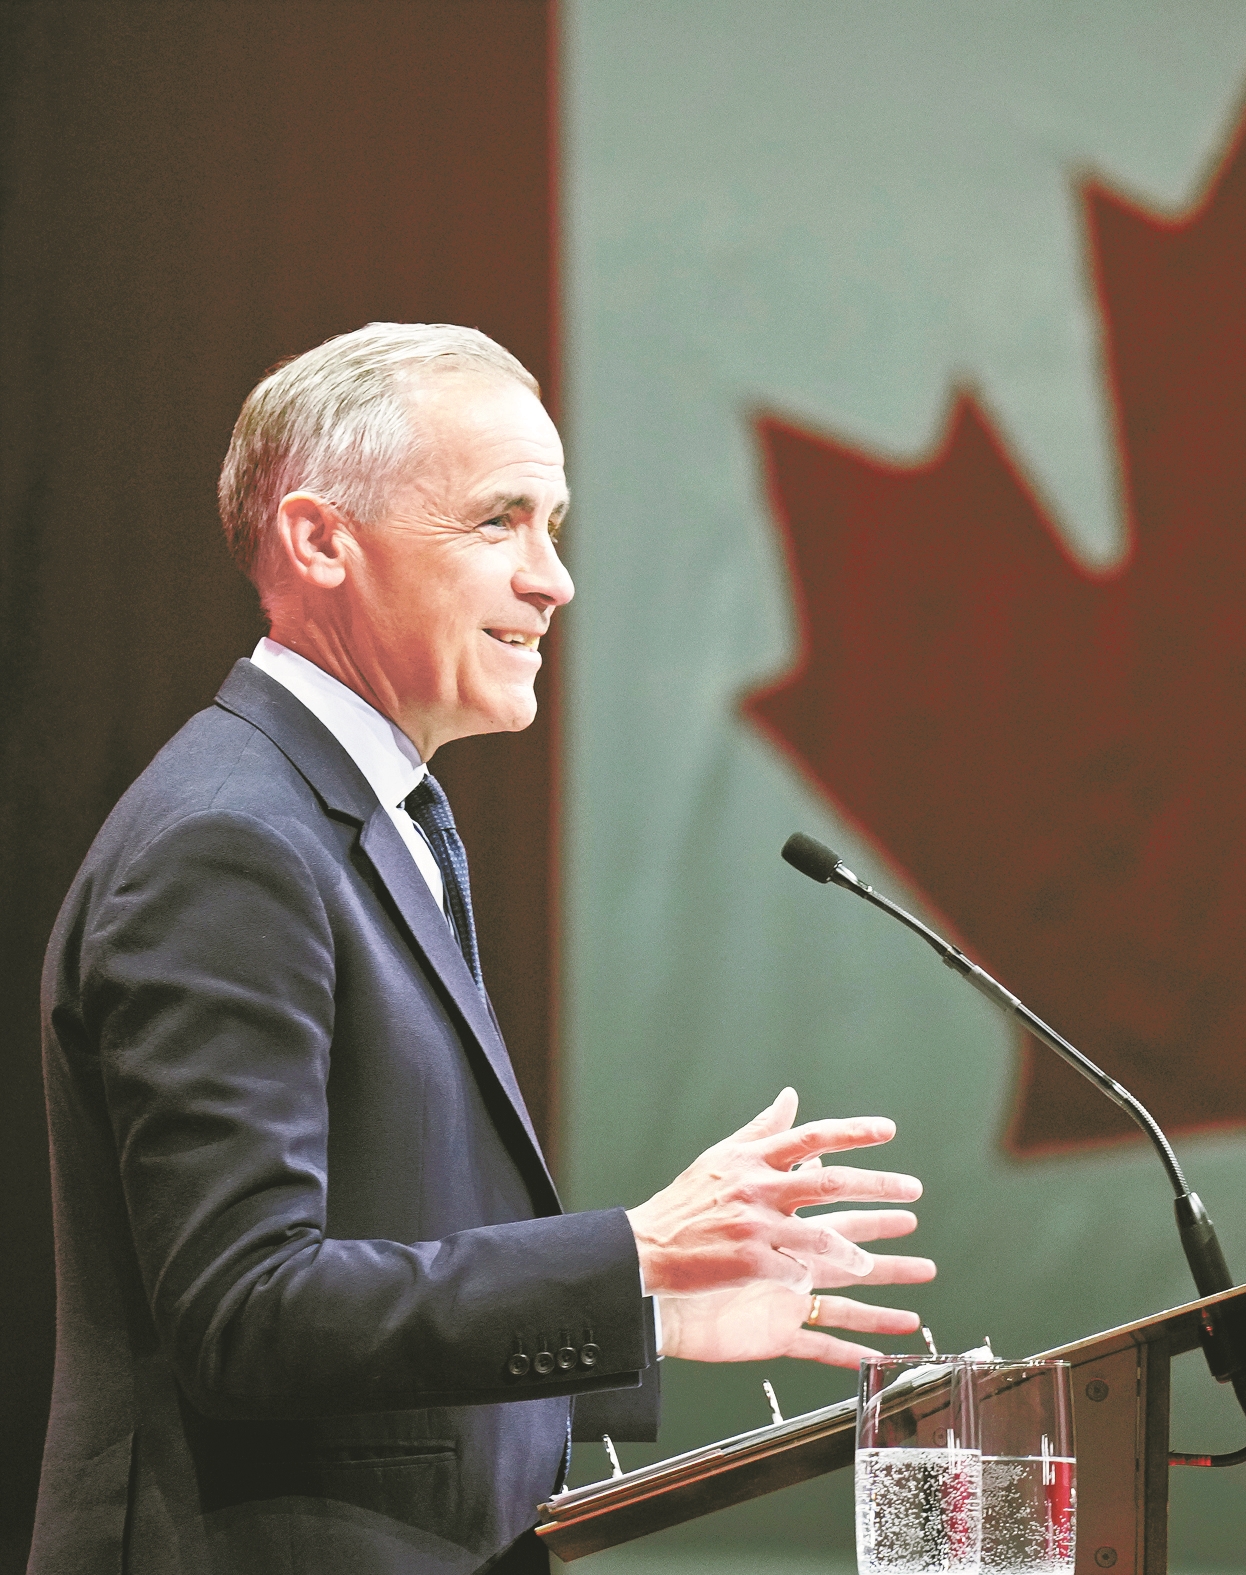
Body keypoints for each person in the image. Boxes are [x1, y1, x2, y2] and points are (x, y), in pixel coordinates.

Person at [32, 323, 936, 1574]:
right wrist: (628, 1254)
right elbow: (244, 1312)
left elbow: (381, 1259)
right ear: (320, 540)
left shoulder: (354, 818)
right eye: (498, 521)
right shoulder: (228, 842)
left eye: (553, 525)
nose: (552, 578)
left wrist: (650, 1309)